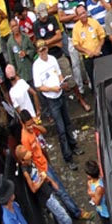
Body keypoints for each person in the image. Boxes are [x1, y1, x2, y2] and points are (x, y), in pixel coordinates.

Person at [31, 41, 81, 169]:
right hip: (51, 98)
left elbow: (59, 74)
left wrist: (61, 83)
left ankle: (73, 145)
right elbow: (39, 86)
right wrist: (52, 89)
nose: (44, 52)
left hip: (60, 94)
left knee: (68, 122)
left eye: (45, 49)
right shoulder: (37, 66)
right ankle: (68, 157)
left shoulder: (52, 59)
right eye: (41, 51)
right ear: (38, 52)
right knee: (61, 129)